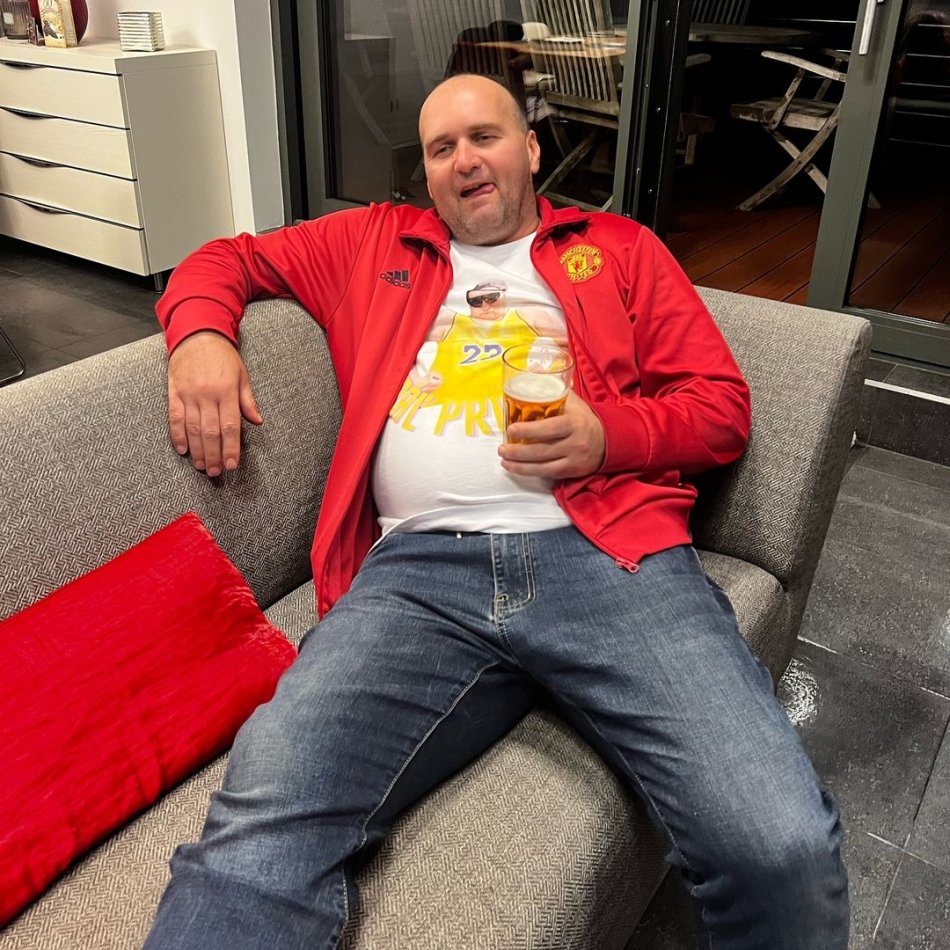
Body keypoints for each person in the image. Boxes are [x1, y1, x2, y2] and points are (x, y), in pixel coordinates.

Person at [144, 74, 848, 949]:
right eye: (441, 148)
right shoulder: (371, 242)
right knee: (256, 836)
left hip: (609, 558)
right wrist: (200, 336)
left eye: (485, 136)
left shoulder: (619, 248)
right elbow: (226, 259)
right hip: (415, 579)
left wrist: (607, 437)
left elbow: (720, 409)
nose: (465, 160)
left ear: (532, 150)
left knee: (781, 848)